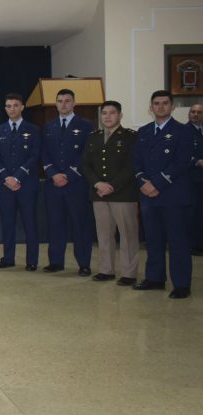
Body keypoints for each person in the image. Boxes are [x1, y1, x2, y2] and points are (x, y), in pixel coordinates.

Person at [132, 90, 193, 299]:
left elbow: (182, 162)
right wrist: (143, 182)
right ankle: (155, 278)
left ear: (172, 106)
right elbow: (136, 161)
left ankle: (182, 284)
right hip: (148, 195)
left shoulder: (183, 131)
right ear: (151, 108)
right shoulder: (144, 132)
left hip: (173, 195)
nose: (160, 107)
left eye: (165, 103)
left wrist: (156, 183)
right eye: (156, 104)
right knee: (153, 239)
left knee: (177, 241)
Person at [81, 101, 139, 285]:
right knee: (104, 234)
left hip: (123, 194)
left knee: (127, 235)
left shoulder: (131, 137)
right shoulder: (93, 137)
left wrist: (111, 186)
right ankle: (106, 270)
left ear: (120, 115)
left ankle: (129, 273)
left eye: (112, 113)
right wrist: (98, 183)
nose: (107, 116)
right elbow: (86, 165)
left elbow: (132, 166)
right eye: (104, 113)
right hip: (99, 194)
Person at [41, 89, 94, 275]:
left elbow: (87, 154)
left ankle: (84, 264)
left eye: (67, 101)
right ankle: (56, 261)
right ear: (55, 104)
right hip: (53, 184)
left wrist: (69, 175)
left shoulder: (86, 126)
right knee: (55, 224)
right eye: (60, 101)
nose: (63, 104)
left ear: (73, 103)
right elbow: (44, 154)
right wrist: (54, 174)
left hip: (76, 184)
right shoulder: (49, 126)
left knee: (80, 225)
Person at [0, 93, 40, 271]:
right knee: (7, 223)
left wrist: (18, 176)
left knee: (30, 224)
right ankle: (8, 258)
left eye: (15, 105)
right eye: (8, 106)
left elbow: (34, 156)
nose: (12, 109)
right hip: (5, 185)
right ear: (5, 109)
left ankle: (32, 260)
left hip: (26, 184)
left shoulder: (33, 129)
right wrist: (6, 177)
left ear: (22, 107)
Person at [187, 103, 203, 256]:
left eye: (199, 112)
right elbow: (181, 155)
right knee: (194, 213)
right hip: (192, 179)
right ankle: (194, 244)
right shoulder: (184, 131)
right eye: (193, 112)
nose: (196, 115)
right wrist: (197, 161)